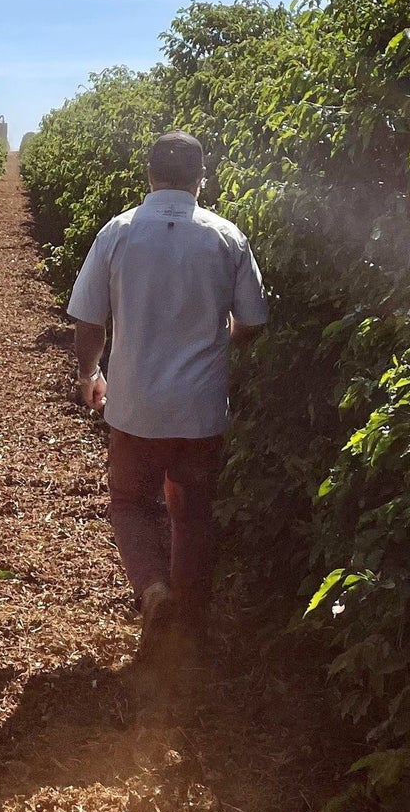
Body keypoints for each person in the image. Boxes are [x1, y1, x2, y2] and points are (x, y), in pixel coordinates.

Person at [68, 131, 267, 661]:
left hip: (134, 407)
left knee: (130, 504)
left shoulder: (118, 233)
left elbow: (89, 318)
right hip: (199, 410)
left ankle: (154, 592)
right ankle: (190, 634)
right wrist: (221, 337)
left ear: (149, 175)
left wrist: (90, 373)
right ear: (202, 177)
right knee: (192, 514)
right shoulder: (227, 237)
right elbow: (252, 321)